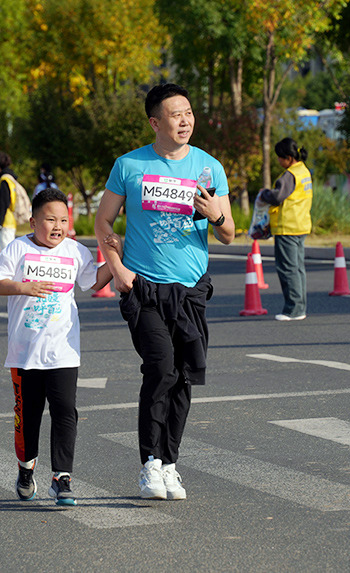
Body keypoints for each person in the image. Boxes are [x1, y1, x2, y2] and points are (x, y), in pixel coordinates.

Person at [94, 83, 235, 500]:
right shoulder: (129, 166)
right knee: (161, 367)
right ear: (155, 122)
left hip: (191, 292)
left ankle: (170, 463)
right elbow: (103, 223)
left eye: (189, 112)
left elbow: (228, 233)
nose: (185, 120)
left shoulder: (209, 168)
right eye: (176, 114)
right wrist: (117, 269)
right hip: (145, 288)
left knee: (184, 379)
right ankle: (149, 464)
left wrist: (213, 214)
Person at [0, 188, 116, 506]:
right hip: (24, 352)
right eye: (50, 219)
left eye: (63, 219)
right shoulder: (17, 249)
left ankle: (62, 478)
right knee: (28, 416)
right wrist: (22, 286)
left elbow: (93, 282)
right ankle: (26, 469)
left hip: (63, 350)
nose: (57, 226)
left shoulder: (74, 251)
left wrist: (116, 258)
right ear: (33, 221)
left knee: (65, 411)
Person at [257, 137, 313, 321]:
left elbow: (277, 196)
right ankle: (300, 306)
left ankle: (294, 309)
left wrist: (264, 193)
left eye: (280, 158)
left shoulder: (290, 175)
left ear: (288, 158)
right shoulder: (303, 171)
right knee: (298, 268)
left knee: (287, 269)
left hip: (287, 227)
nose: (279, 161)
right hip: (300, 225)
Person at [0, 151, 19, 253]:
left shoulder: (4, 180)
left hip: (5, 221)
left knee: (7, 252)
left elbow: (3, 203)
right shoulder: (11, 179)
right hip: (11, 219)